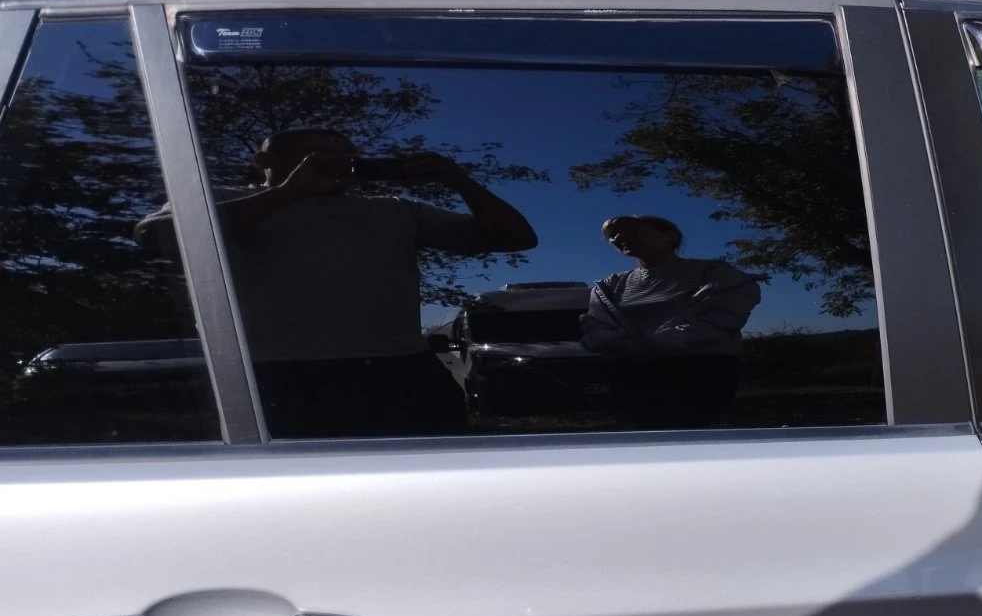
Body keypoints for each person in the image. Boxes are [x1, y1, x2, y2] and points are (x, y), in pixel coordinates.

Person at [135, 127, 538, 438]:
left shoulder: (397, 211)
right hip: (274, 376)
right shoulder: (219, 199)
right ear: (265, 160)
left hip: (400, 373)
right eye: (322, 154)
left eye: (349, 155)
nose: (342, 162)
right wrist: (289, 193)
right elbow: (155, 236)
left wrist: (457, 180)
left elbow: (516, 238)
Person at [579, 215, 761, 429]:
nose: (619, 237)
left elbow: (723, 318)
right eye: (613, 235)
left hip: (701, 369)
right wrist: (621, 345)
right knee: (646, 433)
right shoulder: (610, 285)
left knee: (687, 429)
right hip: (631, 372)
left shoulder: (714, 273)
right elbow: (596, 324)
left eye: (633, 230)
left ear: (670, 236)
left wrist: (657, 343)